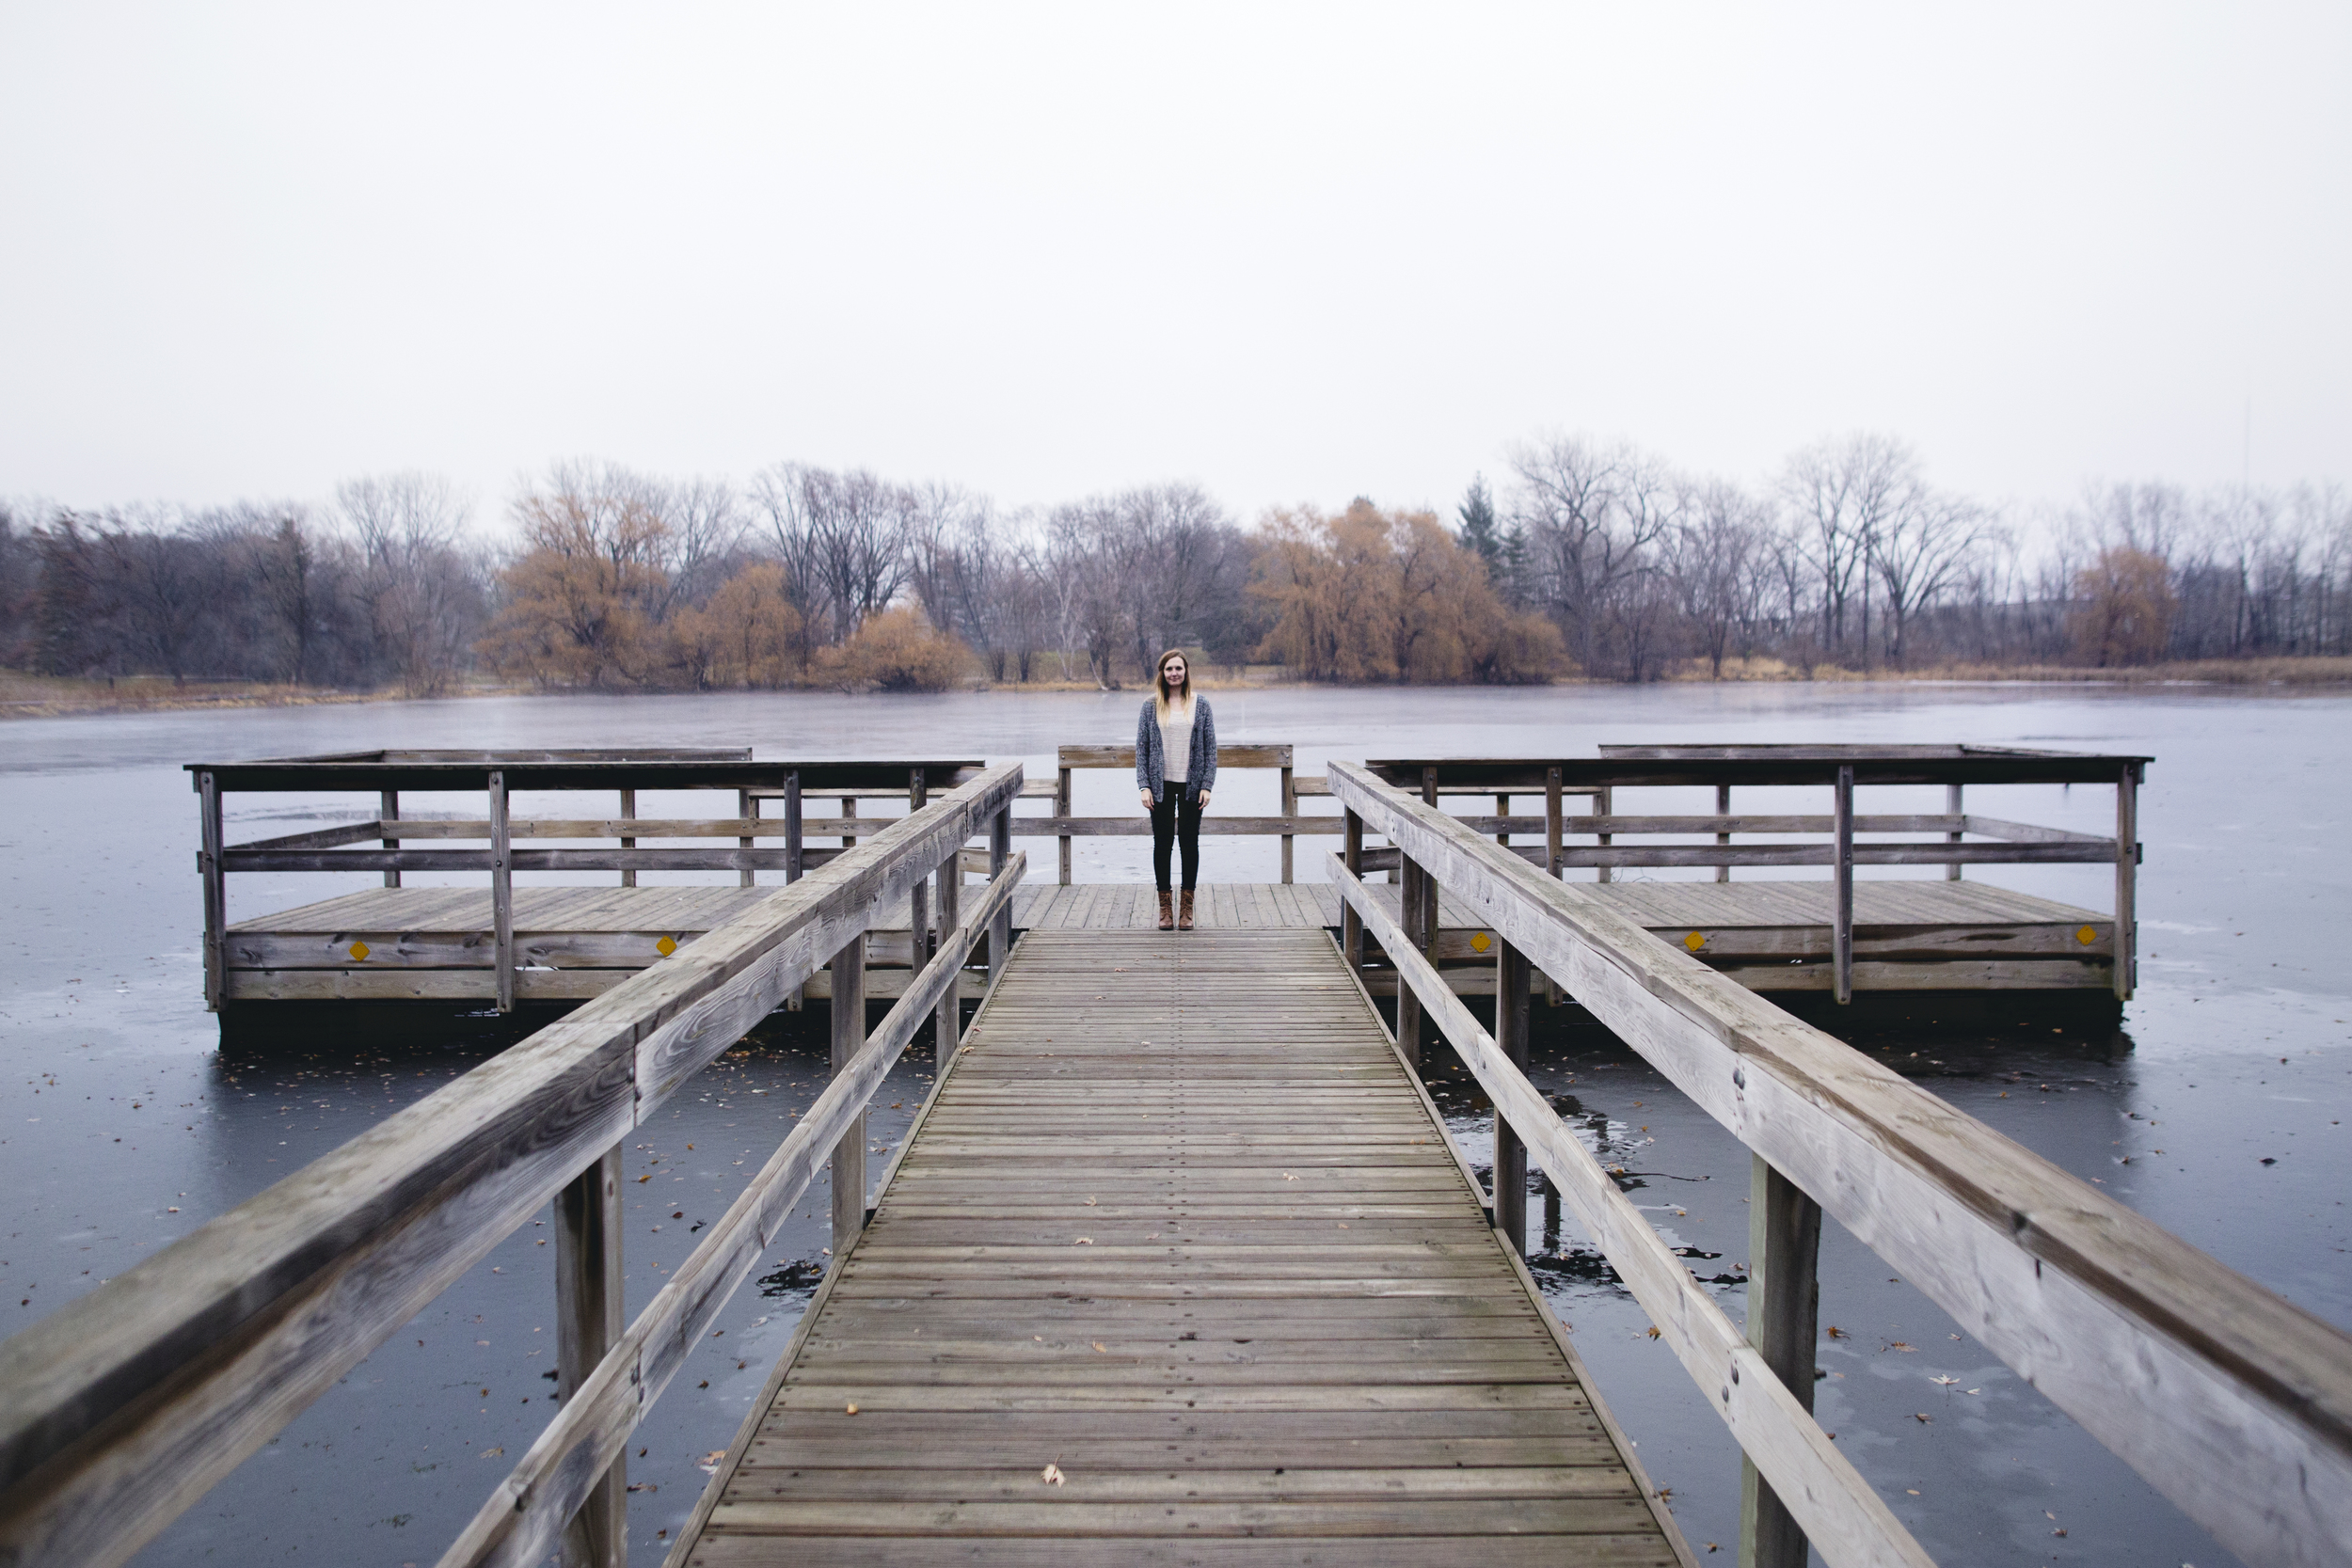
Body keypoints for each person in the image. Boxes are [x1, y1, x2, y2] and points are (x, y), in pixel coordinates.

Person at [1136, 649, 1216, 930]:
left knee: (1189, 844)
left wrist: (1207, 785)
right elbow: (1141, 749)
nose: (1174, 673)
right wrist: (1144, 785)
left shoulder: (1200, 704)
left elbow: (1210, 750)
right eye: (1169, 669)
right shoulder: (1150, 706)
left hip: (1192, 786)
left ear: (1186, 671)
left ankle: (1186, 911)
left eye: (1178, 668)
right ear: (1162, 672)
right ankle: (1165, 911)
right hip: (1160, 787)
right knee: (1163, 844)